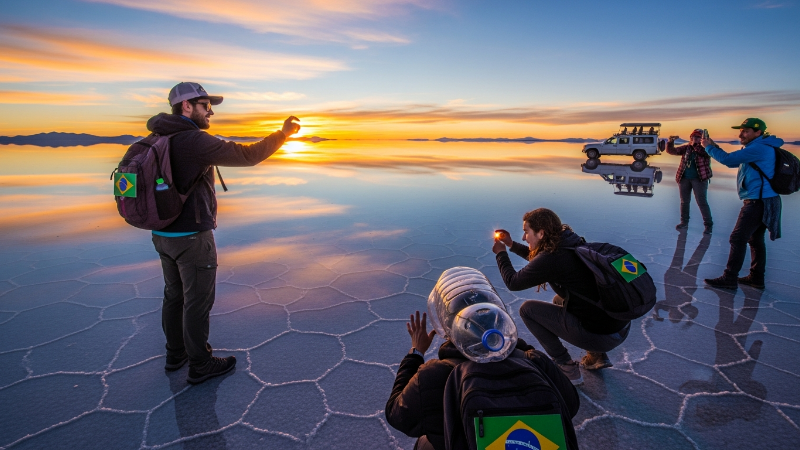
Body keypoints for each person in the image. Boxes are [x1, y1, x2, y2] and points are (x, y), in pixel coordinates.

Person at [149, 82, 300, 384]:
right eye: (205, 105)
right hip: (192, 237)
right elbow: (248, 155)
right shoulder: (193, 140)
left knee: (174, 296)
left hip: (162, 234)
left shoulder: (157, 137)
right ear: (187, 107)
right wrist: (282, 135)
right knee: (197, 301)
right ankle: (200, 363)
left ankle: (175, 353)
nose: (211, 111)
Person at [385, 311, 579, 450]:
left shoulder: (435, 374)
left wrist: (416, 353)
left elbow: (397, 414)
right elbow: (571, 405)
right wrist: (512, 345)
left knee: (424, 443)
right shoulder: (535, 361)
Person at [493, 208, 631, 385]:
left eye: (526, 232)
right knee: (559, 300)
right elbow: (541, 264)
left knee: (528, 310)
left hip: (603, 336)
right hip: (619, 327)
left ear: (541, 233)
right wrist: (511, 244)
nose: (524, 237)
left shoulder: (552, 258)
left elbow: (514, 282)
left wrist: (501, 254)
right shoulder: (571, 243)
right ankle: (597, 356)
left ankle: (566, 366)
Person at [702, 118, 783, 290]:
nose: (741, 134)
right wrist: (715, 147)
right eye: (741, 130)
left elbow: (729, 161)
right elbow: (734, 160)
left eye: (746, 131)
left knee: (737, 238)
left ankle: (729, 278)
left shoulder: (759, 148)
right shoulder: (759, 147)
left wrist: (708, 147)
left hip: (758, 202)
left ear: (758, 132)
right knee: (755, 240)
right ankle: (756, 278)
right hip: (765, 200)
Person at [666, 129, 714, 233]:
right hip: (684, 178)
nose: (694, 139)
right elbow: (672, 151)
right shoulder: (687, 148)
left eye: (697, 137)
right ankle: (684, 222)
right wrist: (670, 142)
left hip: (699, 179)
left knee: (701, 202)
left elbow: (702, 152)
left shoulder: (707, 148)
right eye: (692, 137)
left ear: (702, 139)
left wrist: (697, 144)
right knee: (684, 201)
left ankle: (708, 225)